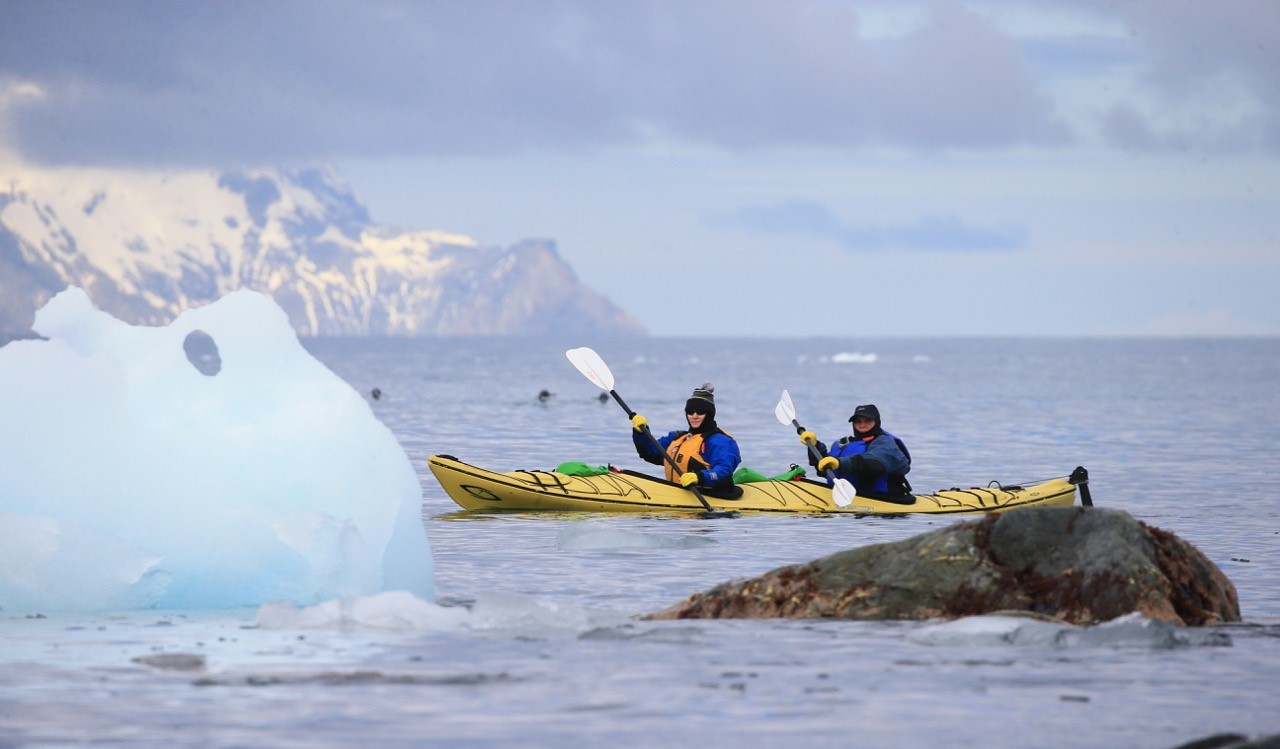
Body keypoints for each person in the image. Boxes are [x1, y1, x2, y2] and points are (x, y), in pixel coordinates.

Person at [630, 382, 742, 498]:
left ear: (709, 414)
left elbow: (724, 469)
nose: (694, 416)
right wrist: (641, 432)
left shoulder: (721, 441)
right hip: (677, 497)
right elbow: (649, 452)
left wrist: (700, 477)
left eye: (700, 411)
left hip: (712, 499)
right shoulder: (677, 438)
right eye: (690, 411)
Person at [799, 404, 912, 499]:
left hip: (886, 500)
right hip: (850, 498)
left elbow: (875, 465)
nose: (862, 425)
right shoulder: (844, 444)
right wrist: (814, 446)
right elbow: (826, 470)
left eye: (868, 421)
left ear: (877, 422)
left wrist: (840, 463)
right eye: (858, 421)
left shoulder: (886, 443)